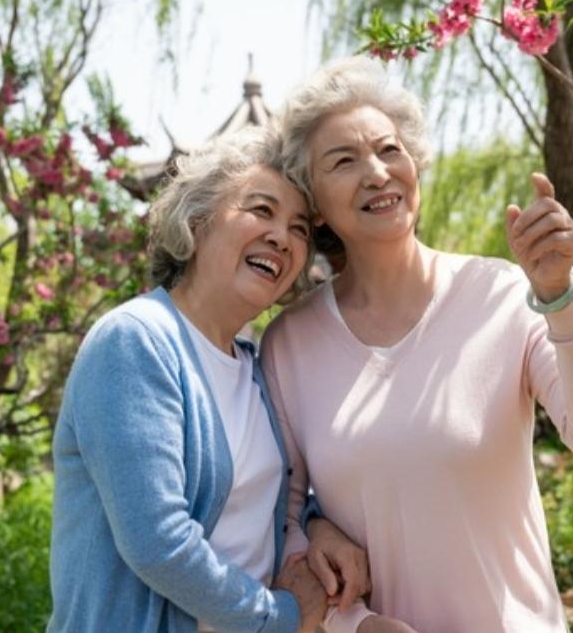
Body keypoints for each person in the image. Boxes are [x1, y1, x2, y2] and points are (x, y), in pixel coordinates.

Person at [260, 58, 573, 633]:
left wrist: (561, 294)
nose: (376, 173)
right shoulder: (289, 342)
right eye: (344, 161)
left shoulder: (504, 293)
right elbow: (278, 520)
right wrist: (354, 624)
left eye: (389, 150)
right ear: (312, 203)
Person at [48, 127, 352, 633]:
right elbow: (158, 541)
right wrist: (279, 618)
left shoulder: (256, 364)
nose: (282, 236)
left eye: (299, 228)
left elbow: (272, 500)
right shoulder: (137, 341)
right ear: (196, 221)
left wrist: (319, 527)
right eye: (261, 210)